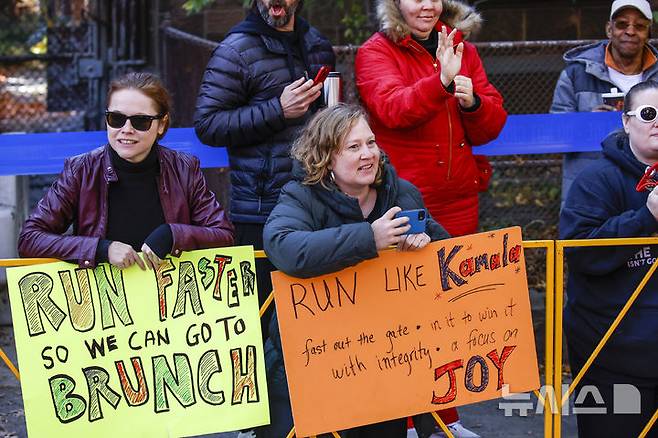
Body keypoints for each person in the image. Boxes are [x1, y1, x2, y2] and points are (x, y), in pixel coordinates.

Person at [354, 1, 505, 435]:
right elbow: (391, 109)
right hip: (406, 201)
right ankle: (401, 419)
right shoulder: (377, 51)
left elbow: (491, 124)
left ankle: (444, 419)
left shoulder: (460, 45)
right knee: (402, 316)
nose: (426, 4)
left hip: (459, 199)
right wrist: (439, 81)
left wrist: (473, 100)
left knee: (451, 314)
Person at [262, 103, 450, 437]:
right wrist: (368, 238)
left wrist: (426, 242)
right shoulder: (301, 195)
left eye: (371, 143)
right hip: (312, 363)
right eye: (353, 147)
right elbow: (283, 247)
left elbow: (444, 254)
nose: (368, 154)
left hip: (385, 360)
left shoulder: (401, 192)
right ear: (325, 157)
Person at [194, 0, 335, 339]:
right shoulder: (235, 49)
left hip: (318, 202)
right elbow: (207, 125)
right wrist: (278, 110)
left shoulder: (316, 44)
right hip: (260, 212)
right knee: (260, 325)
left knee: (314, 322)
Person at [18, 72, 234, 269]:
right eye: (116, 119)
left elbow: (224, 235)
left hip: (169, 303)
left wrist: (173, 235)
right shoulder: (81, 171)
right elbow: (30, 239)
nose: (126, 130)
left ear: (161, 124)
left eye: (141, 121)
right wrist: (100, 249)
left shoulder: (184, 168)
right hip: (103, 305)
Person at [560, 80, 658, 437]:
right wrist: (646, 216)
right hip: (613, 357)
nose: (657, 122)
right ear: (626, 121)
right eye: (649, 114)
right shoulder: (594, 181)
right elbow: (580, 254)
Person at [551, 0, 658, 202]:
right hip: (590, 191)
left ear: (648, 32)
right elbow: (555, 138)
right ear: (609, 29)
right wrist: (587, 124)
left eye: (640, 26)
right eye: (622, 24)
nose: (630, 31)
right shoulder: (576, 74)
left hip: (651, 191)